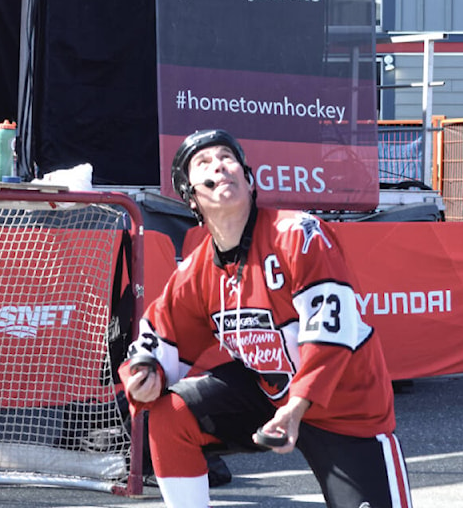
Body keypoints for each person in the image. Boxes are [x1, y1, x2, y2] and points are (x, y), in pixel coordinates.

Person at [119, 129, 413, 508]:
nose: (220, 166)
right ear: (191, 195)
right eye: (203, 162)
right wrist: (145, 378)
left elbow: (332, 331)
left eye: (228, 157)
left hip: (344, 406)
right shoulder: (195, 271)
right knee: (169, 413)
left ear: (248, 178)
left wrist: (296, 407)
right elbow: (158, 340)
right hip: (269, 396)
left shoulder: (299, 235)